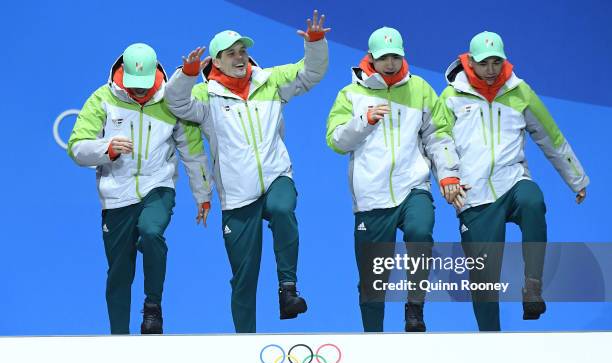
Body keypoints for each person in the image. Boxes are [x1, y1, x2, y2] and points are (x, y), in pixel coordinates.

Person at [164, 11, 330, 333]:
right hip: (238, 195)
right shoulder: (204, 96)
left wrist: (315, 43)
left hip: (274, 176)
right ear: (217, 61)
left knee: (283, 208)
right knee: (244, 276)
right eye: (231, 53)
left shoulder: (271, 80)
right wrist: (186, 74)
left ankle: (288, 289)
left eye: (242, 50)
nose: (240, 57)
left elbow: (311, 72)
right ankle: (244, 342)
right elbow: (177, 103)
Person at [436, 31, 589, 331]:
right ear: (469, 63)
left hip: (512, 181)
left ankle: (532, 287)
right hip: (473, 194)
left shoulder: (521, 92)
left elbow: (550, 136)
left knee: (533, 200)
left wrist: (577, 178)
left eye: (497, 62)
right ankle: (490, 340)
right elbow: (439, 140)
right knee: (484, 280)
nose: (491, 69)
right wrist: (448, 177)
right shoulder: (451, 97)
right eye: (484, 63)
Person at [68, 43, 213, 335]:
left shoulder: (171, 100)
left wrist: (203, 194)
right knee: (119, 274)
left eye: (144, 85)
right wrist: (106, 148)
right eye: (133, 86)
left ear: (155, 74)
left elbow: (193, 151)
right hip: (116, 196)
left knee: (151, 231)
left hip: (157, 186)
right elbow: (77, 147)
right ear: (122, 74)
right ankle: (119, 339)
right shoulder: (102, 99)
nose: (139, 92)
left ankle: (152, 307)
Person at [326, 27, 460, 332]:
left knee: (420, 230)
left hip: (413, 184)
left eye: (395, 56)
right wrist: (364, 120)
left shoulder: (422, 90)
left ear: (403, 56)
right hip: (371, 195)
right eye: (384, 57)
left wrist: (449, 174)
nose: (390, 63)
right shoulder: (351, 95)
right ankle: (373, 338)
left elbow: (438, 135)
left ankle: (415, 306)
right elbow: (335, 141)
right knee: (372, 280)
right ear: (371, 58)